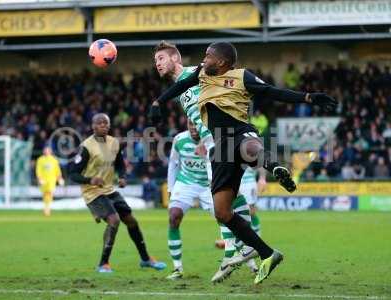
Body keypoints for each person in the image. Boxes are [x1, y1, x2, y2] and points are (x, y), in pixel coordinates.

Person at [151, 42, 337, 284]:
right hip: (215, 146)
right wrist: (157, 103)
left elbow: (272, 91)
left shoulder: (237, 75)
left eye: (162, 58)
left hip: (236, 132)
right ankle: (265, 253)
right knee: (222, 211)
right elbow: (182, 87)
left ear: (220, 61)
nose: (204, 59)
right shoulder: (199, 76)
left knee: (248, 146)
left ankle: (272, 167)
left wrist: (309, 97)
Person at [154, 41, 257, 282]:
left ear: (175, 58)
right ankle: (241, 249)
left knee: (223, 202)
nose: (157, 63)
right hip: (212, 142)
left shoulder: (195, 72)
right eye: (155, 60)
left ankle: (239, 250)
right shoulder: (180, 88)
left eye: (161, 58)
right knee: (226, 199)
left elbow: (222, 76)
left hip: (222, 139)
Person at [68, 113, 166, 273]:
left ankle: (146, 259)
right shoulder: (86, 147)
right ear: (93, 126)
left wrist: (122, 177)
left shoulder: (114, 143)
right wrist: (90, 180)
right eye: (100, 123)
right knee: (114, 220)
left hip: (109, 190)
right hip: (92, 192)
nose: (104, 126)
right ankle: (103, 264)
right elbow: (73, 174)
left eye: (106, 123)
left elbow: (120, 165)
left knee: (131, 221)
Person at [35, 146, 64, 216]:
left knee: (49, 192)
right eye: (45, 150)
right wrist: (39, 178)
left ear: (50, 151)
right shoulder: (40, 160)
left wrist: (60, 178)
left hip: (52, 180)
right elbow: (38, 170)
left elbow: (57, 170)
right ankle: (47, 207)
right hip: (43, 179)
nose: (46, 152)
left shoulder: (54, 160)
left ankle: (47, 208)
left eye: (48, 150)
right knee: (45, 194)